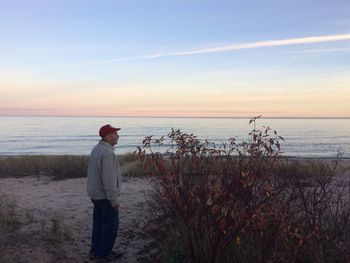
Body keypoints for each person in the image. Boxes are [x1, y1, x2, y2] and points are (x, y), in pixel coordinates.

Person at [87, 124, 123, 261]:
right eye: (115, 133)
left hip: (95, 195)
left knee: (99, 223)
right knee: (111, 227)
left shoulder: (97, 149)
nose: (118, 136)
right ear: (107, 136)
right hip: (104, 197)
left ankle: (95, 251)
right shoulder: (107, 153)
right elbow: (108, 180)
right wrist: (113, 200)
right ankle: (103, 255)